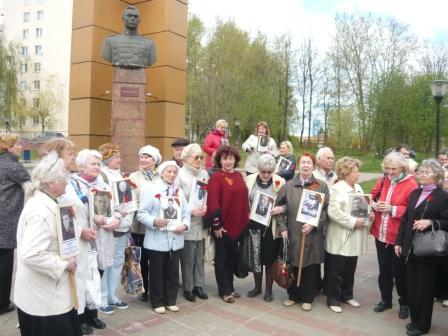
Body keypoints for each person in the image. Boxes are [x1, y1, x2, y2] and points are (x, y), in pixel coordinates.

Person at [14, 152, 78, 336]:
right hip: (45, 298)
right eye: (64, 177)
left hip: (46, 293)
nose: (67, 180)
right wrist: (65, 264)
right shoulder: (40, 212)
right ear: (51, 182)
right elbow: (31, 254)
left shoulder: (46, 201)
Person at [65, 149, 116, 334]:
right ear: (81, 166)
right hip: (81, 241)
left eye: (99, 163)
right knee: (81, 279)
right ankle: (79, 317)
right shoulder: (71, 185)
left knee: (97, 276)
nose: (97, 166)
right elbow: (67, 216)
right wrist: (80, 232)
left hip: (101, 239)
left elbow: (114, 208)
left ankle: (92, 313)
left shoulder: (103, 184)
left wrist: (114, 219)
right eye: (93, 163)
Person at [395, 160, 448, 336]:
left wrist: (431, 222)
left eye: (426, 172)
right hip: (410, 247)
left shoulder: (443, 196)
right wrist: (399, 242)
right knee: (412, 286)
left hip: (428, 250)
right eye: (420, 172)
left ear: (437, 176)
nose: (421, 175)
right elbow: (405, 219)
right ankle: (415, 320)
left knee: (424, 289)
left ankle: (422, 325)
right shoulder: (415, 193)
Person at [277, 152, 330, 311]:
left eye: (309, 162)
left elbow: (326, 210)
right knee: (293, 263)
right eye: (303, 162)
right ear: (298, 165)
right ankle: (293, 295)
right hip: (294, 231)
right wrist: (283, 227)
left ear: (313, 166)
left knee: (310, 266)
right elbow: (278, 208)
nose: (306, 165)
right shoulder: (288, 185)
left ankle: (307, 297)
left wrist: (314, 225)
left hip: (312, 234)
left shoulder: (321, 185)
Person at [137, 161, 190, 314]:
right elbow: (141, 213)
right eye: (169, 172)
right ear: (161, 173)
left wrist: (185, 226)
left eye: (174, 172)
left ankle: (170, 300)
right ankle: (157, 301)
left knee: (173, 272)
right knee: (157, 272)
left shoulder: (179, 191)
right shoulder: (150, 189)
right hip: (156, 240)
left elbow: (186, 214)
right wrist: (154, 221)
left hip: (176, 239)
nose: (172, 175)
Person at [370, 151, 418, 319]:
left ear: (402, 168)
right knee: (384, 270)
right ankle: (386, 300)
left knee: (400, 271)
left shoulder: (411, 184)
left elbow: (413, 211)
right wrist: (375, 205)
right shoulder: (383, 180)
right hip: (380, 233)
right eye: (388, 168)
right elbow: (371, 196)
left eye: (393, 169)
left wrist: (392, 209)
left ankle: (404, 303)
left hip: (398, 236)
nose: (390, 172)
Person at [325, 157, 371, 313]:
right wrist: (352, 221)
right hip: (340, 236)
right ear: (346, 173)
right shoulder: (337, 188)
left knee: (350, 267)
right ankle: (333, 299)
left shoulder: (357, 187)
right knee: (336, 270)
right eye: (356, 172)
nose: (358, 175)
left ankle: (347, 295)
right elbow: (333, 212)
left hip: (354, 237)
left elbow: (362, 207)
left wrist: (368, 215)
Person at [205, 146, 250, 303]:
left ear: (235, 160)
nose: (228, 161)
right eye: (225, 159)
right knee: (222, 259)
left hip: (238, 225)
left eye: (231, 158)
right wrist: (216, 225)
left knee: (232, 258)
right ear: (220, 161)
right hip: (223, 226)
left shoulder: (238, 175)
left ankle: (230, 287)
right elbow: (212, 202)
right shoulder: (216, 178)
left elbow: (244, 200)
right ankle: (224, 291)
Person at [98, 143, 135, 314]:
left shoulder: (121, 175)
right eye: (116, 157)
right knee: (106, 262)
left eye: (120, 157)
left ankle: (112, 295)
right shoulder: (102, 176)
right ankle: (102, 298)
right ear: (107, 159)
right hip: (110, 227)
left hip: (124, 225)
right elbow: (102, 201)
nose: (120, 160)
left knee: (118, 261)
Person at [245, 154, 285, 302]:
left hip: (271, 226)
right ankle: (257, 287)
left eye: (270, 172)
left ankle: (268, 290)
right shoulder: (249, 180)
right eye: (263, 171)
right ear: (258, 169)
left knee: (269, 259)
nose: (267, 175)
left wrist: (282, 209)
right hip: (253, 224)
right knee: (256, 257)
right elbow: (244, 200)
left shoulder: (280, 181)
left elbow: (287, 203)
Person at [0, 133, 30, 316]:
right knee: (5, 263)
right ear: (10, 148)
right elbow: (34, 186)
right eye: (19, 144)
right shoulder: (13, 166)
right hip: (7, 219)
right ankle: (2, 303)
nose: (22, 146)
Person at [177, 144, 209, 302]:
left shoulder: (204, 173)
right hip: (188, 220)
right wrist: (190, 211)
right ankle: (188, 287)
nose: (199, 160)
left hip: (201, 220)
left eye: (201, 157)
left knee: (199, 256)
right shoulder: (180, 174)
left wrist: (206, 206)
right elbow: (177, 200)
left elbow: (207, 194)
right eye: (195, 157)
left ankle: (199, 285)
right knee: (188, 257)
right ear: (186, 158)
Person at [129, 144, 162, 302]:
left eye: (147, 157)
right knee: (140, 260)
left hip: (156, 225)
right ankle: (143, 289)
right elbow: (129, 199)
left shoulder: (161, 176)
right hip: (139, 226)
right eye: (141, 156)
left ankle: (156, 288)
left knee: (154, 259)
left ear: (155, 160)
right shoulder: (133, 177)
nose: (143, 159)